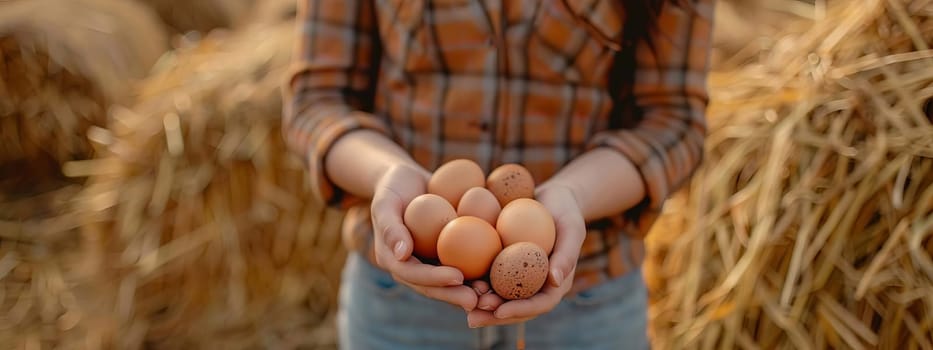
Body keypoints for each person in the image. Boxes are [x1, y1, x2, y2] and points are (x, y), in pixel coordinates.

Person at [283, 0, 713, 348]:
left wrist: (573, 194)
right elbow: (317, 100)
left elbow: (674, 121)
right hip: (402, 305)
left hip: (587, 302)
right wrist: (388, 176)